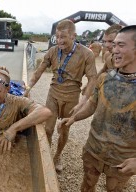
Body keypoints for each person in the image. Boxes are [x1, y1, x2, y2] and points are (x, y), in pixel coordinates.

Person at [58, 25, 136, 191]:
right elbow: (92, 105)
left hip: (121, 159)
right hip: (94, 150)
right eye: (113, 45)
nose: (114, 50)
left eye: (121, 45)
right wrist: (73, 118)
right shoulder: (104, 79)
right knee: (87, 185)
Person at [24, 19, 97, 171]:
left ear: (73, 36)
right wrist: (29, 86)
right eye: (57, 37)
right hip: (53, 94)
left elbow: (92, 79)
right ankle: (46, 157)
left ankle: (57, 156)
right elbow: (39, 71)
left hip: (72, 98)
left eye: (63, 37)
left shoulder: (86, 54)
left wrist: (83, 101)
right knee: (48, 129)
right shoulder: (52, 51)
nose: (59, 41)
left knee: (64, 130)